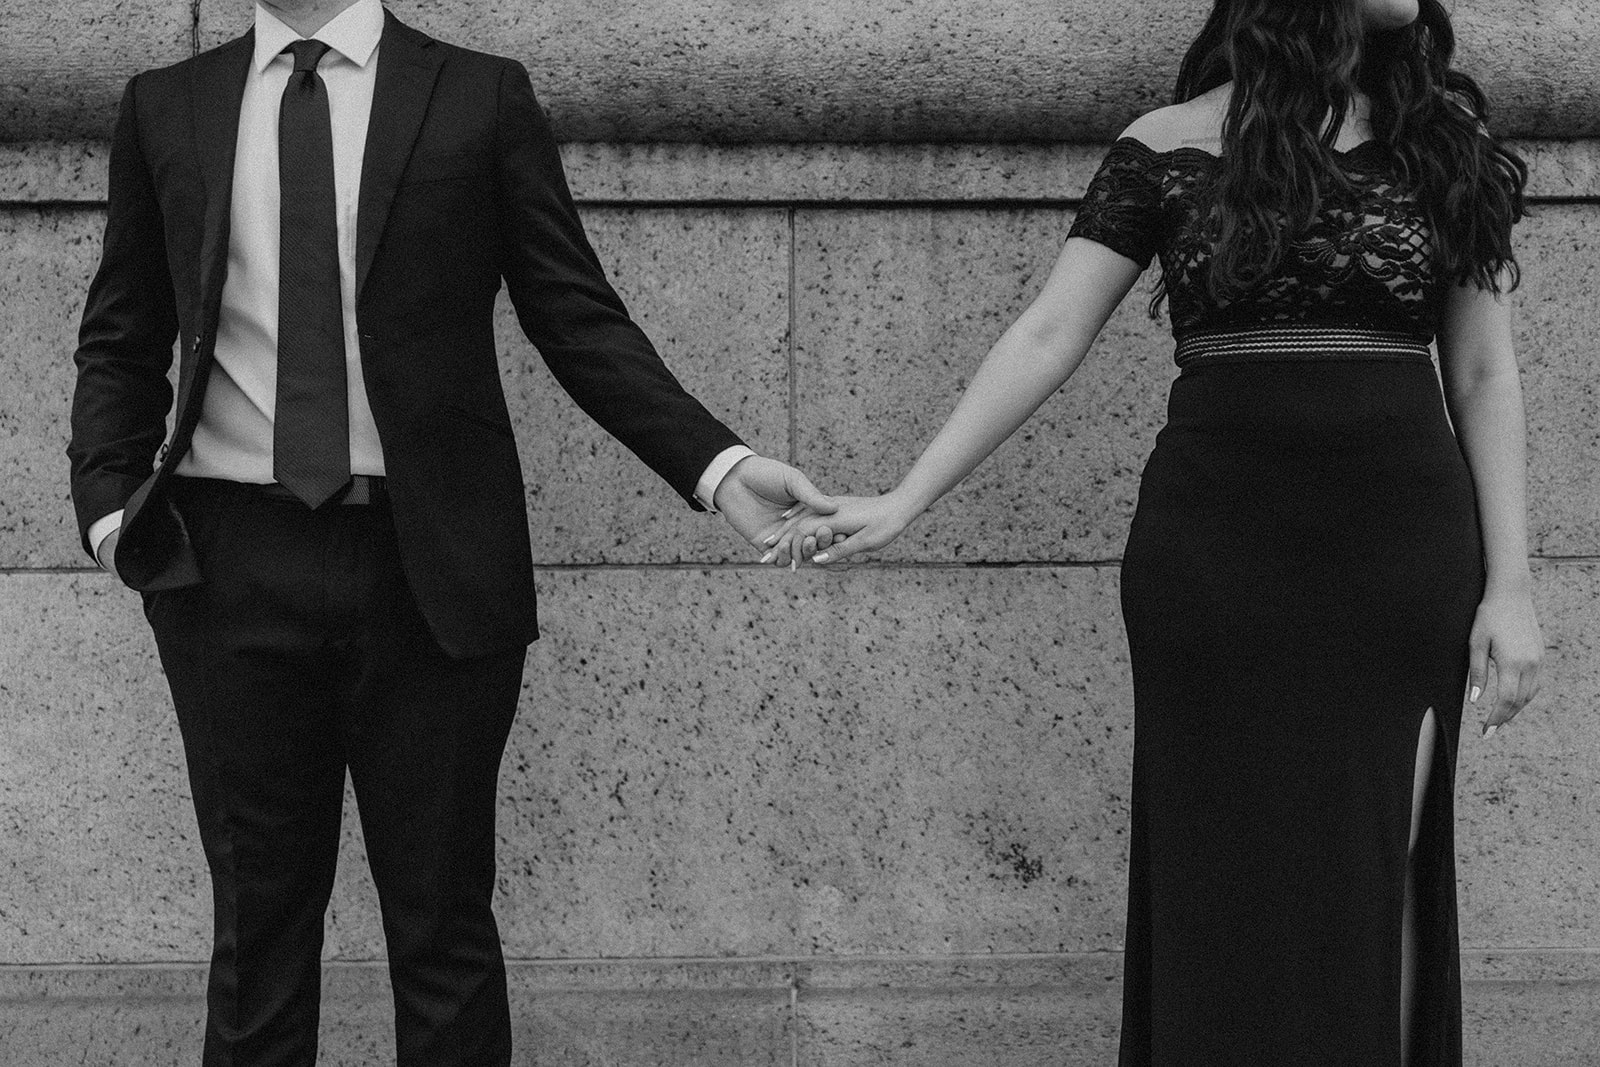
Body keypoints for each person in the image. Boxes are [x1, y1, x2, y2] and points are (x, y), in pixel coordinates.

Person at [779, 0, 1542, 1063]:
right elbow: (1048, 330)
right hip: (1214, 563)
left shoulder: (1439, 142)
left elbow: (1483, 370)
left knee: (1380, 868)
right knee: (1221, 881)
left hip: (1398, 562)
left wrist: (1511, 586)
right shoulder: (1166, 144)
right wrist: (907, 495)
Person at [66, 0, 829, 1061]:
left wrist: (718, 465)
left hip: (430, 564)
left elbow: (576, 314)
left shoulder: (477, 95)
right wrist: (110, 513)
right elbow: (123, 330)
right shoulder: (168, 106)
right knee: (256, 937)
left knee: (444, 928)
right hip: (226, 563)